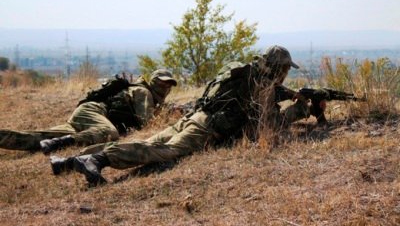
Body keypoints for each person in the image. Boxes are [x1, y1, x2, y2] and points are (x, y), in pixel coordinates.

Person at [50, 46, 326, 186]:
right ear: (279, 69)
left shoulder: (248, 74)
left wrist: (290, 96)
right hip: (205, 127)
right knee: (164, 152)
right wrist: (303, 109)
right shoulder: (262, 86)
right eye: (286, 69)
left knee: (150, 142)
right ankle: (97, 159)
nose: (286, 74)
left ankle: (70, 161)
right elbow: (269, 124)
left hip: (195, 115)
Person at [0, 69, 177, 154]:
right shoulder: (143, 92)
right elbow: (147, 122)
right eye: (161, 83)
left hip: (88, 117)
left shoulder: (148, 96)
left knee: (39, 138)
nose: (165, 87)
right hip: (94, 112)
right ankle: (60, 143)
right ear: (153, 82)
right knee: (109, 132)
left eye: (169, 85)